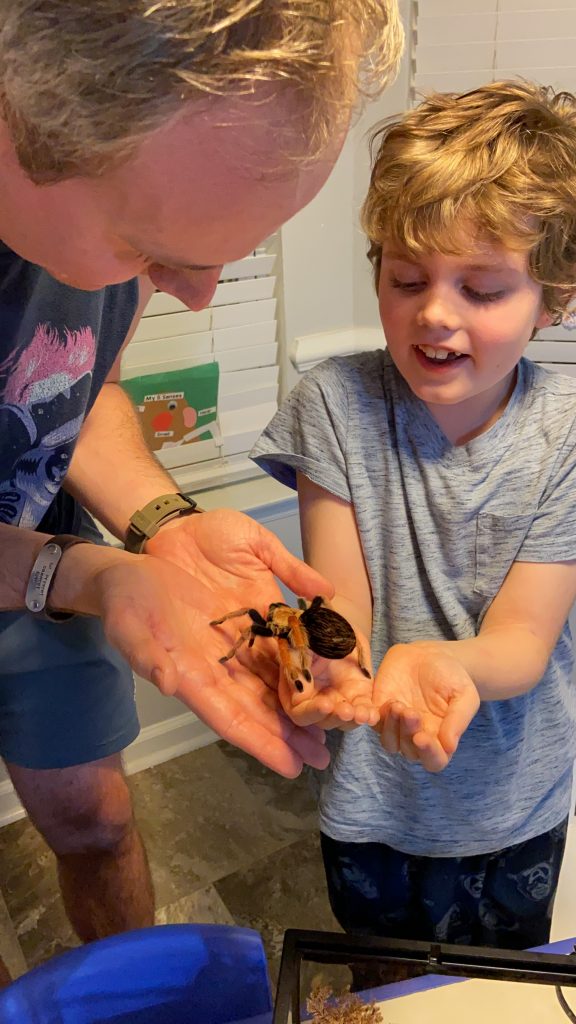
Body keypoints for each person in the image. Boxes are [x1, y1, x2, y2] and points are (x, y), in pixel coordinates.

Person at [0, 0, 403, 979]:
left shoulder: (95, 218)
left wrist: (161, 525)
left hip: (46, 547)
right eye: (153, 251)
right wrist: (83, 574)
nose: (198, 291)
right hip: (55, 563)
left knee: (96, 818)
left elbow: (66, 392)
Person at [252, 80, 576, 961]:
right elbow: (340, 604)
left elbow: (520, 646)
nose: (435, 313)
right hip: (374, 804)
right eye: (406, 278)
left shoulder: (567, 432)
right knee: (379, 981)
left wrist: (433, 661)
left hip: (513, 801)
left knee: (491, 989)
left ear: (554, 298)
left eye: (482, 288)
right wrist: (326, 668)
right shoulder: (335, 404)